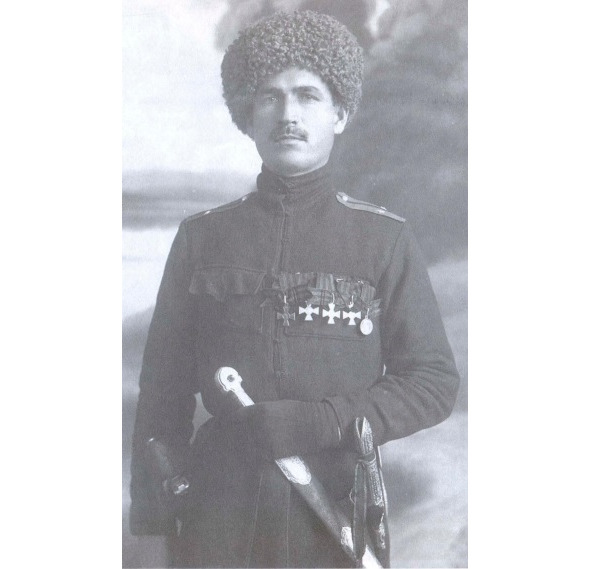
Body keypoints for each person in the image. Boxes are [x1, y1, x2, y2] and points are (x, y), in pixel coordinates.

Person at [130, 10, 460, 568]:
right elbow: (163, 391)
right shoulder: (202, 237)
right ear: (247, 115)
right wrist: (154, 519)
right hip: (220, 518)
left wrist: (324, 421)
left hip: (334, 512)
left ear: (341, 114)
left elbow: (432, 382)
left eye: (308, 96)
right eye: (270, 98)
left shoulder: (383, 239)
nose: (289, 115)